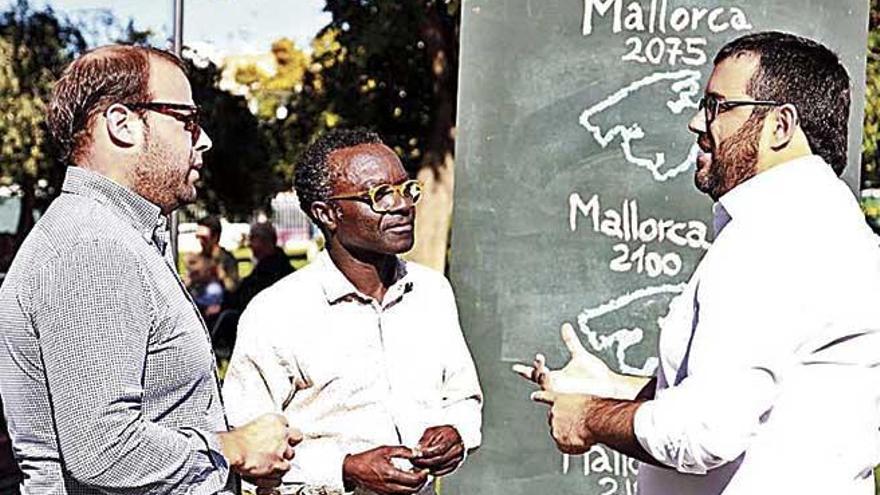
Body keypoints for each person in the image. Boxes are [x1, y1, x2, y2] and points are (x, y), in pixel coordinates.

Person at [516, 31, 880, 495]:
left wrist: (587, 417)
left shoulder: (773, 237)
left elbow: (705, 431)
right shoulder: (828, 225)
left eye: (717, 106)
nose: (695, 122)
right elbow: (764, 402)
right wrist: (612, 386)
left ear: (781, 126)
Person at [0, 44, 300, 494]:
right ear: (122, 124)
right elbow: (105, 451)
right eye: (187, 120)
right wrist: (235, 449)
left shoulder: (114, 235)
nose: (203, 140)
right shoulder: (92, 246)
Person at [222, 129, 483, 495]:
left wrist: (456, 432)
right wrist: (344, 469)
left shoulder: (431, 293)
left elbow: (462, 398)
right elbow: (246, 452)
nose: (403, 204)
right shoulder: (277, 314)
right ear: (327, 213)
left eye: (406, 189)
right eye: (380, 195)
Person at [227, 222, 294, 312]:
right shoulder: (265, 266)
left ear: (266, 241)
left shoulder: (274, 272)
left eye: (252, 239)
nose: (249, 244)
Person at [197, 215, 240, 293]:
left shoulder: (227, 259)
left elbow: (234, 288)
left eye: (204, 238)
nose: (200, 242)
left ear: (215, 237)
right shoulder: (199, 258)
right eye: (198, 237)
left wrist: (219, 274)